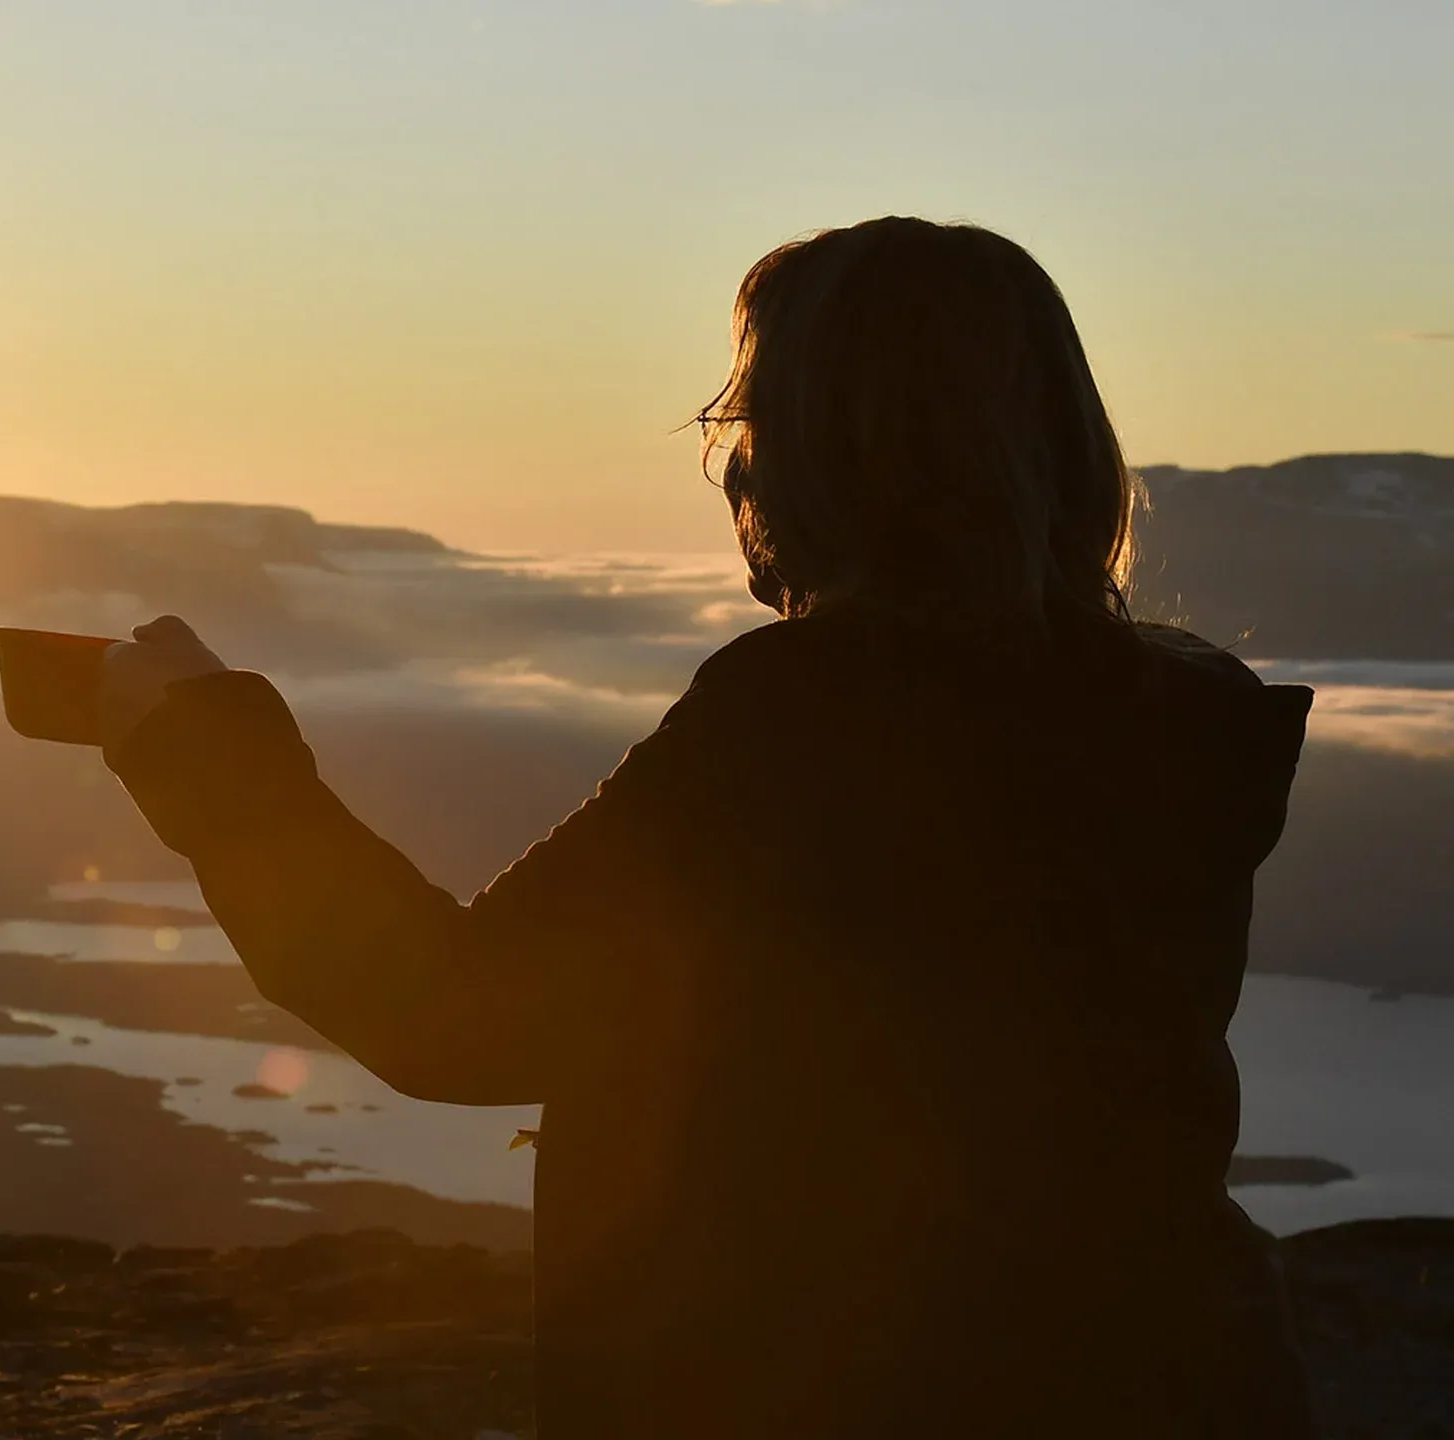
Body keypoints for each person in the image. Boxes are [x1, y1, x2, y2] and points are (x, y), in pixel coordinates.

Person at [94, 218, 1317, 1438]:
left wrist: (212, 753)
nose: (738, 457)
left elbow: (451, 1015)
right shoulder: (1180, 717)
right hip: (1177, 1375)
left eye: (754, 417)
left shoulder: (811, 718)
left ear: (817, 453)